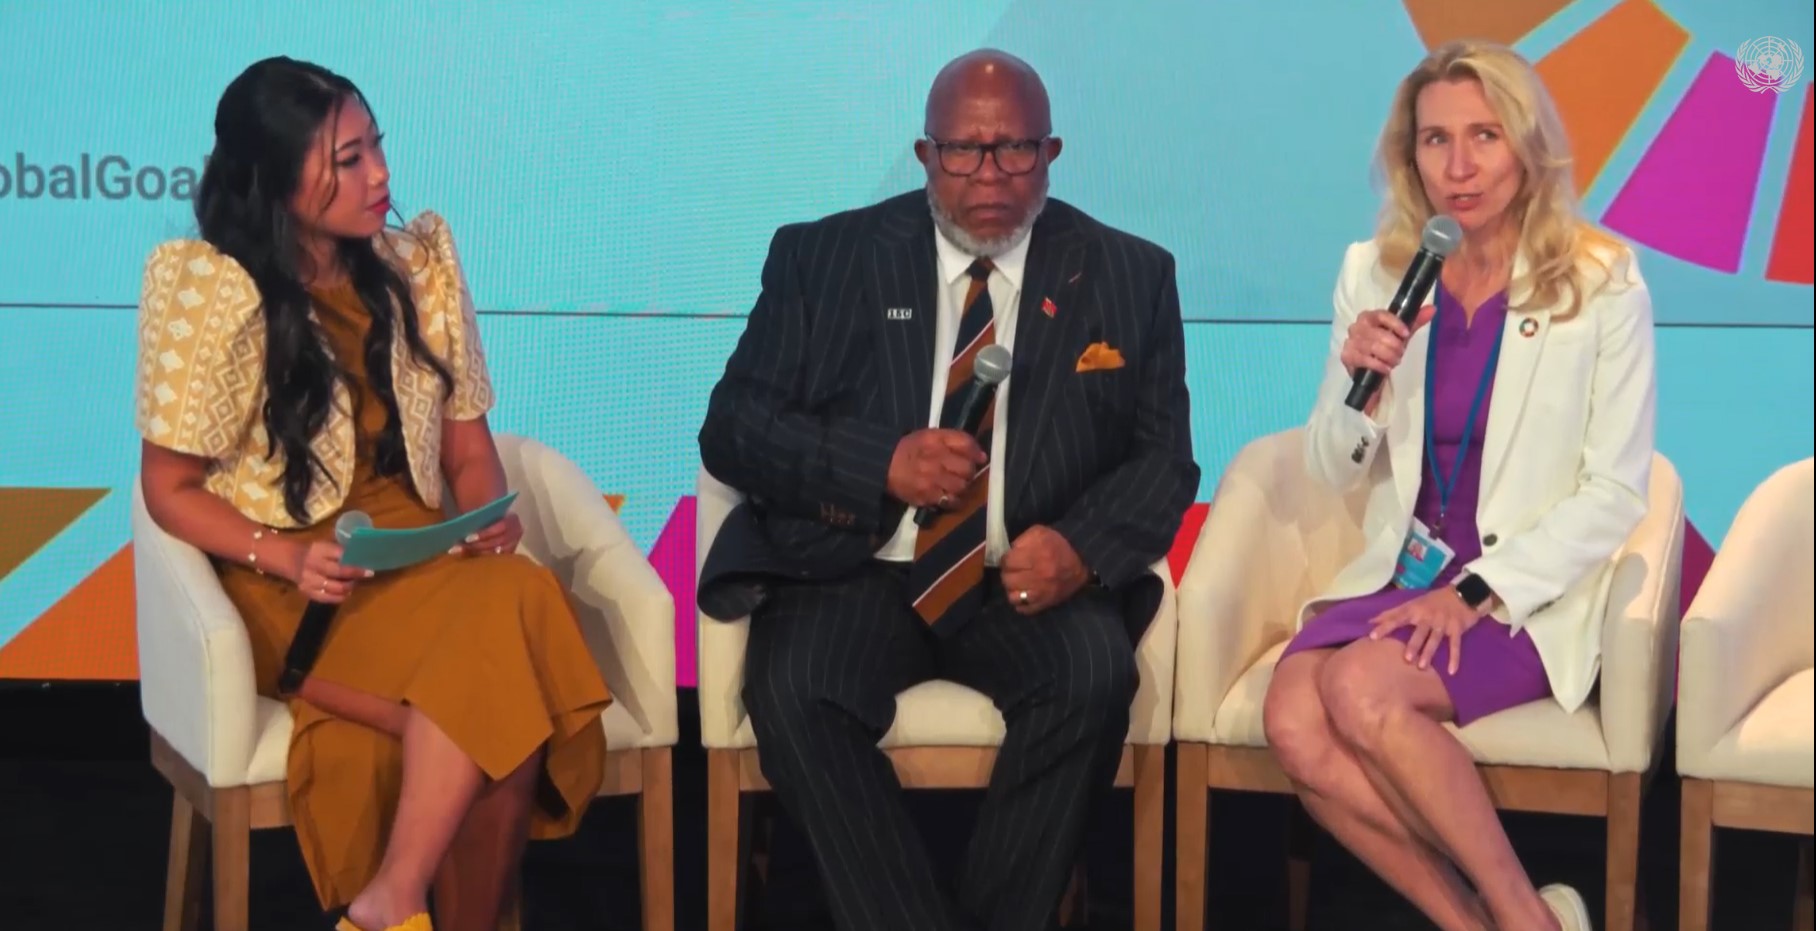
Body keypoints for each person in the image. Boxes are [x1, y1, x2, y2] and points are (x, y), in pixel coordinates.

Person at [696, 48, 1198, 931]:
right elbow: (735, 427)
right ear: (925, 156)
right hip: (858, 566)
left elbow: (1164, 460)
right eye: (964, 151)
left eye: (1015, 150)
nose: (990, 175)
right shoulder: (825, 257)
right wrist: (878, 461)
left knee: (1092, 674)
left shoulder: (1129, 274)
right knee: (793, 685)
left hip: (1026, 576)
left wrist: (1080, 549)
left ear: (1053, 154)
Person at [133, 57, 611, 931]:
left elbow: (469, 447)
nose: (380, 174)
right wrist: (277, 552)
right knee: (508, 698)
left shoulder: (416, 264)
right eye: (348, 159)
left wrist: (483, 518)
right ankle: (391, 901)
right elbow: (166, 487)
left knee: (510, 598)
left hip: (424, 559)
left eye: (376, 145)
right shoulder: (212, 288)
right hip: (299, 579)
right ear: (277, 179)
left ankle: (389, 903)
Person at [1261, 40, 1657, 931]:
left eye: (1485, 135)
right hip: (1403, 574)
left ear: (1528, 147)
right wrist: (1362, 388)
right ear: (1410, 159)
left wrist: (1478, 591)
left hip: (1521, 587)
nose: (1461, 165)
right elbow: (1331, 467)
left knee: (1358, 691)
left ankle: (1520, 914)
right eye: (1436, 140)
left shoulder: (1600, 281)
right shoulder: (1376, 271)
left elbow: (1616, 490)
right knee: (1292, 718)